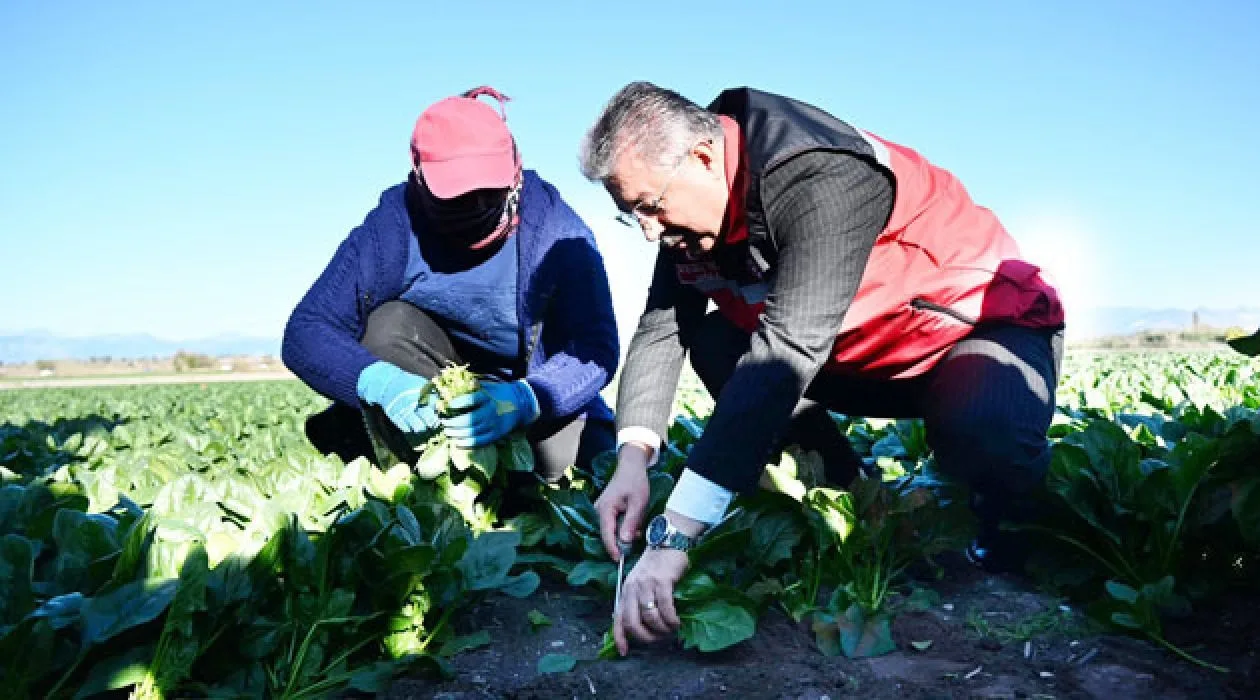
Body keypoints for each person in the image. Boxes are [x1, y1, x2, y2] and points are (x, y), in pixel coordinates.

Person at [580, 82, 1066, 654]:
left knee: (984, 431)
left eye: (648, 205)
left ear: (704, 159)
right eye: (631, 215)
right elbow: (664, 329)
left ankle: (1012, 534)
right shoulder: (689, 217)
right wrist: (632, 462)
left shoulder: (818, 172)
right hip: (862, 356)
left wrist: (675, 536)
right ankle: (850, 491)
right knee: (716, 343)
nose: (648, 230)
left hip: (972, 336)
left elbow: (785, 352)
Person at [283, 86, 619, 483]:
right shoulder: (393, 226)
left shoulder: (555, 230)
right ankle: (431, 471)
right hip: (436, 387)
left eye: (489, 192)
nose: (476, 206)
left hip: (526, 399)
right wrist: (383, 384)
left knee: (580, 474)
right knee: (386, 325)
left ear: (515, 171)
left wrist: (525, 399)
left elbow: (594, 347)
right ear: (419, 179)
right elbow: (307, 330)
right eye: (457, 197)